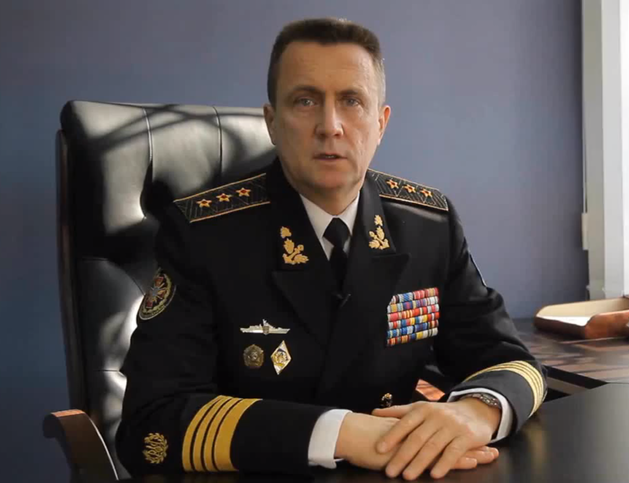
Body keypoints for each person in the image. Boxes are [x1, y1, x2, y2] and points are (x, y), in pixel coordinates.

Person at [116, 17, 546, 481]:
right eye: (305, 101)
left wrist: (477, 411)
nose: (330, 126)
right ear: (272, 123)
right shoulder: (203, 234)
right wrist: (343, 434)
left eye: (352, 101)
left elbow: (510, 360)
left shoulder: (428, 225)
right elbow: (152, 424)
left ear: (380, 123)